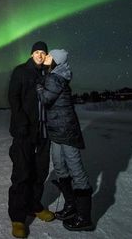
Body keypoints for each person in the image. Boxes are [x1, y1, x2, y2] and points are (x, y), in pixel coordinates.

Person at [36, 49, 94, 231]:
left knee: (76, 171)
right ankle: (71, 206)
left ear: (56, 60)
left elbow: (45, 99)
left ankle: (84, 217)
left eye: (49, 56)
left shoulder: (55, 77)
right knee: (60, 168)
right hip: (57, 131)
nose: (45, 57)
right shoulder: (53, 75)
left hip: (66, 131)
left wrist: (38, 86)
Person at [8, 41, 55, 239]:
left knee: (41, 171)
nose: (40, 55)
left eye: (43, 52)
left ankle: (34, 206)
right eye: (37, 52)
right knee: (22, 173)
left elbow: (58, 90)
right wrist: (21, 123)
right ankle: (18, 217)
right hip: (24, 131)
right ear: (31, 54)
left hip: (44, 131)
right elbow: (13, 98)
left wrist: (52, 68)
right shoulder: (21, 71)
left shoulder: (47, 73)